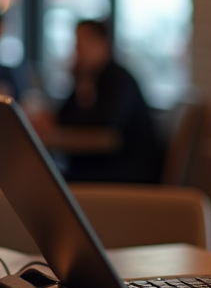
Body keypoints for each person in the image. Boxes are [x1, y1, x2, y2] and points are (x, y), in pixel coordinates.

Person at [53, 18, 161, 184]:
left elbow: (107, 120)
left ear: (104, 44)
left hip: (128, 169)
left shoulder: (118, 78)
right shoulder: (90, 77)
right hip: (102, 163)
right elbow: (65, 113)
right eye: (77, 42)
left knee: (56, 181)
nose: (78, 49)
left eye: (85, 41)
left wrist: (58, 120)